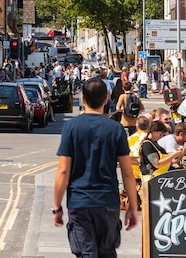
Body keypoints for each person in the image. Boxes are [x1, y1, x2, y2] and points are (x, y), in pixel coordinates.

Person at [53, 77, 138, 257]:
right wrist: (133, 206)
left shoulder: (71, 127)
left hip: (80, 202)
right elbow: (127, 173)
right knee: (107, 253)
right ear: (106, 99)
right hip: (108, 202)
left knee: (86, 253)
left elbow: (63, 171)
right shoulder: (115, 129)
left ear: (83, 99)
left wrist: (57, 207)